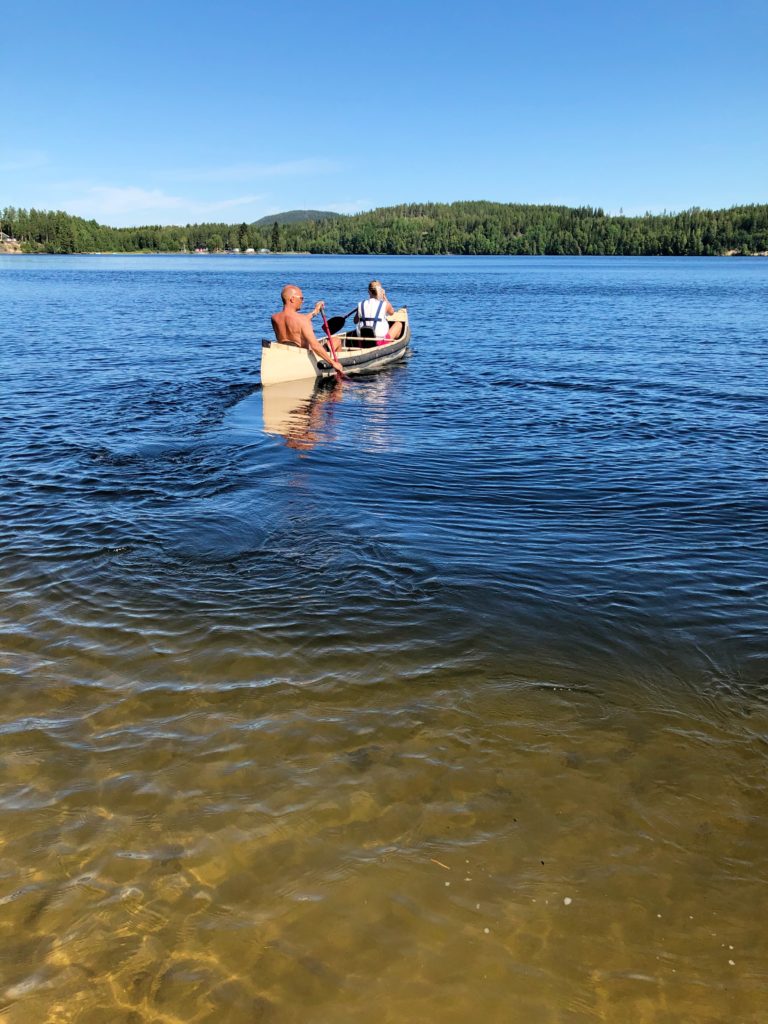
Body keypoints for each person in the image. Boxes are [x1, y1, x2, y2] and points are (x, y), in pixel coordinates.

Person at [271, 284, 344, 373]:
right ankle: (340, 368)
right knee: (337, 340)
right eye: (301, 298)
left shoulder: (275, 318)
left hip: (287, 355)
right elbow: (315, 346)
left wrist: (315, 311)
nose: (303, 301)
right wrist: (333, 363)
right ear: (292, 299)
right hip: (302, 358)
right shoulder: (302, 320)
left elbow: (296, 321)